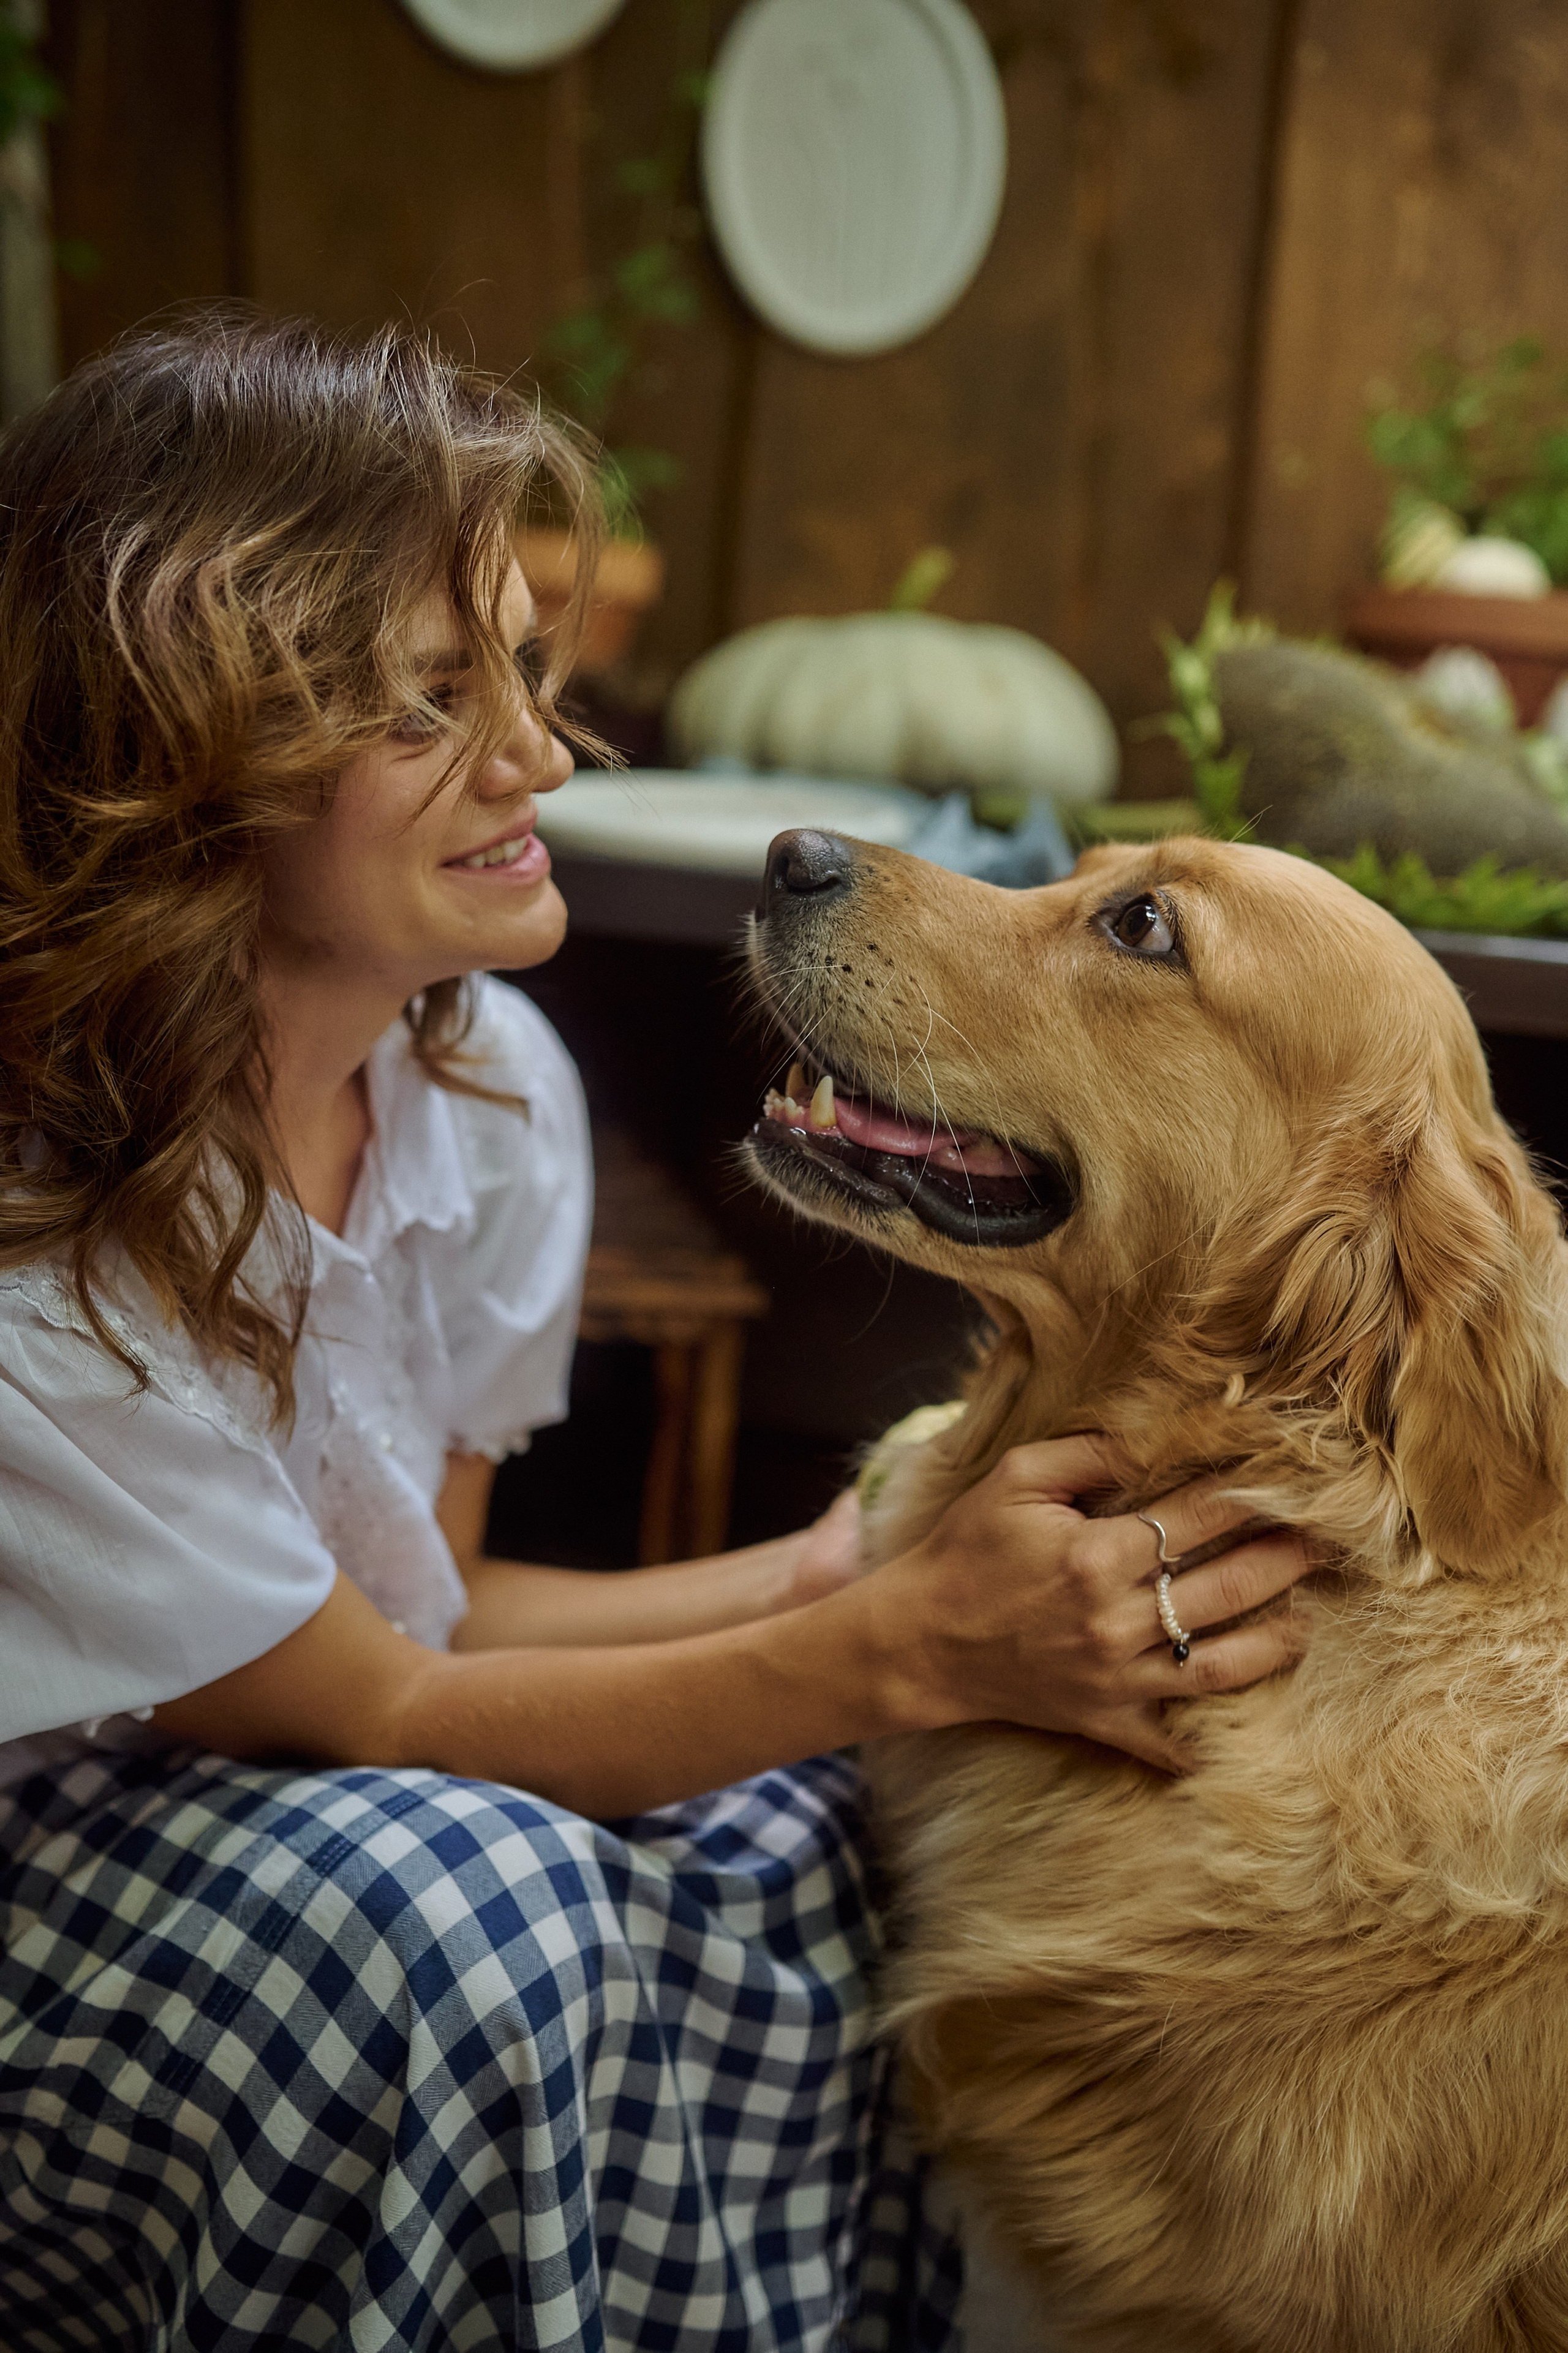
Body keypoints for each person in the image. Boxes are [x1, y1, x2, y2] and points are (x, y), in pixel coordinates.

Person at [0, 314, 1311, 2352]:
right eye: (431, 699)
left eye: (526, 665)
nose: (539, 754)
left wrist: (839, 1574)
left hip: (318, 1770)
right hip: (54, 1908)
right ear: (184, 757)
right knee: (484, 1922)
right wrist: (902, 1639)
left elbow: (423, 1619)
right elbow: (385, 1717)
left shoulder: (484, 1103)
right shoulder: (41, 1261)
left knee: (828, 1840)